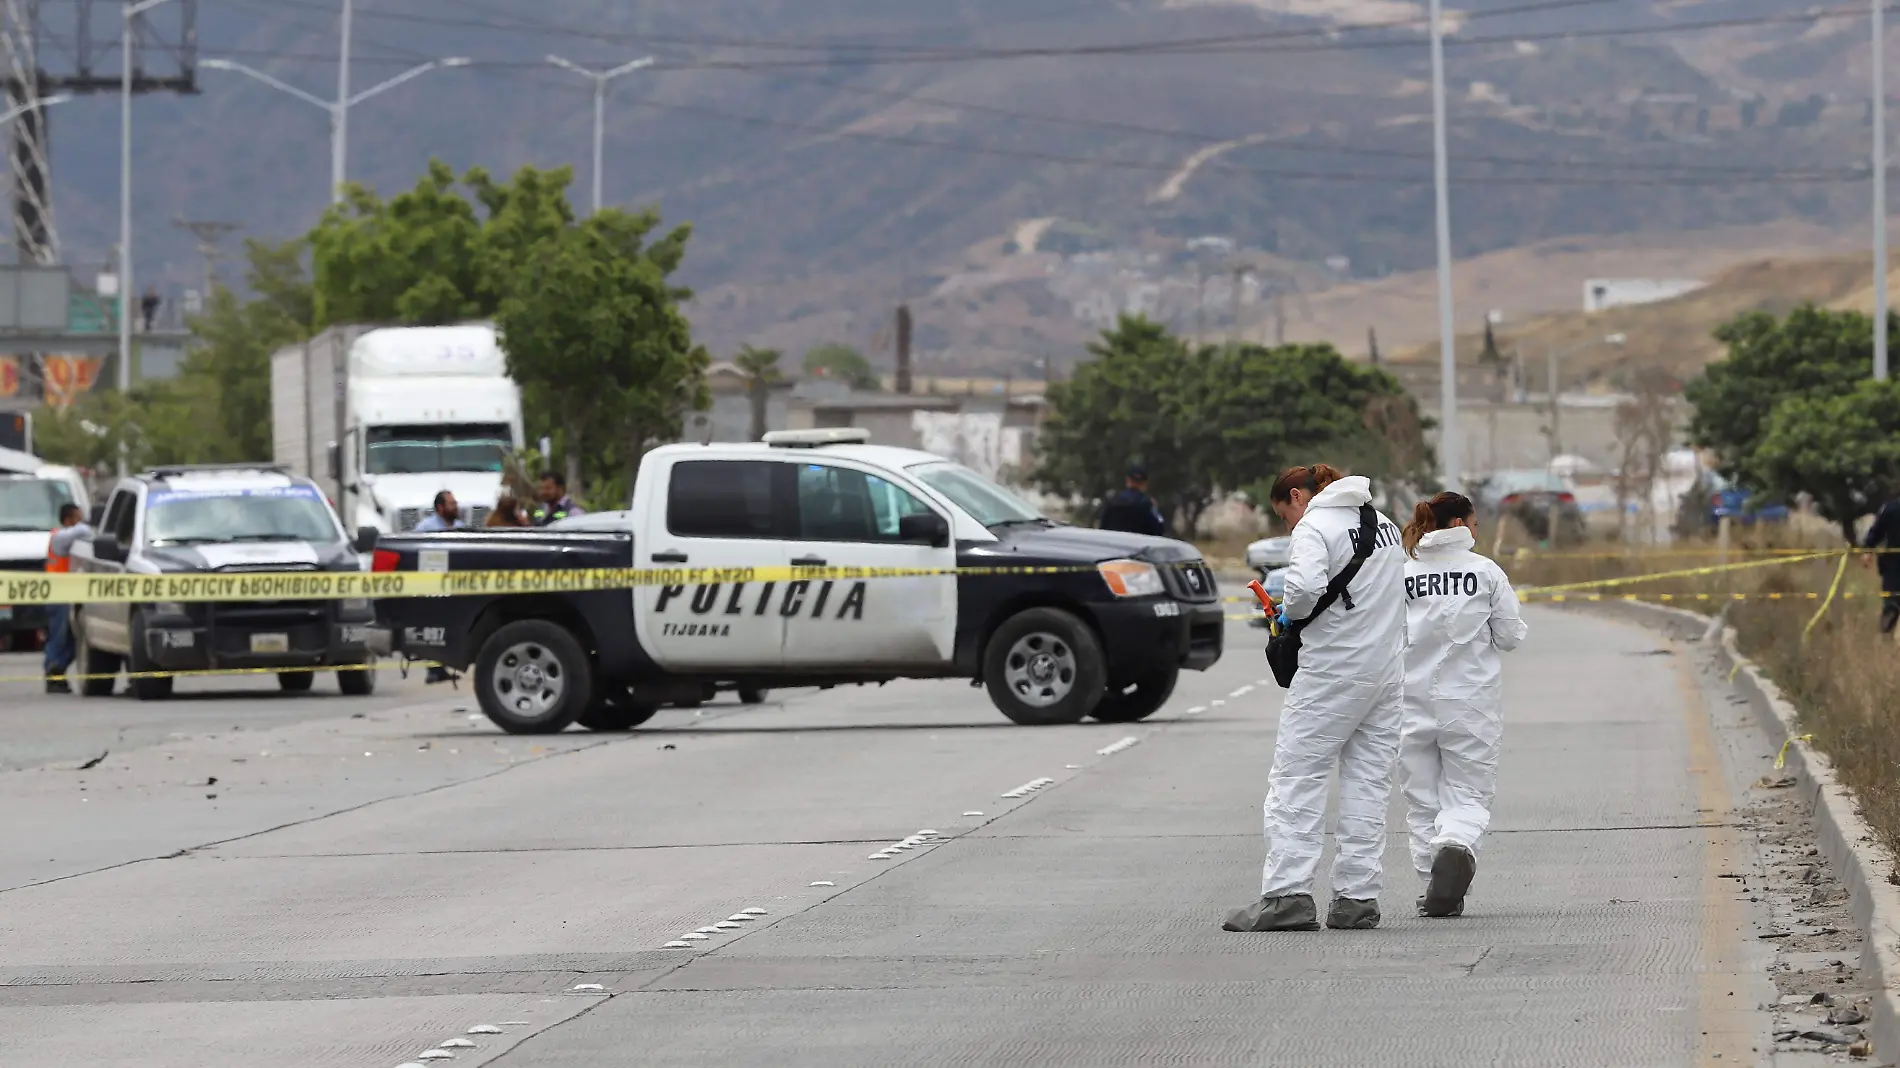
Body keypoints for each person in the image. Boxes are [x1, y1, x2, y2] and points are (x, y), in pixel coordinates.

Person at [1225, 464, 1407, 933]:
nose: (1287, 524)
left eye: (1283, 514)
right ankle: (1357, 899)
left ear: (1296, 496)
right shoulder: (1381, 523)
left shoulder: (1315, 525)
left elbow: (1303, 592)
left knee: (1297, 780)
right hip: (1385, 673)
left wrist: (1288, 613)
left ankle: (1287, 896)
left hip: (1331, 674)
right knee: (1367, 783)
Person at [1399, 491, 1528, 918]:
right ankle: (1454, 845)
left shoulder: (1404, 572)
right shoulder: (1485, 572)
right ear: (1458, 525)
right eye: (1474, 524)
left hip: (1410, 702)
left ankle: (1432, 885)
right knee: (1468, 792)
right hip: (1470, 703)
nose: (1477, 531)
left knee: (1420, 797)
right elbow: (1510, 636)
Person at [43, 502, 92, 694]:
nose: (80, 521)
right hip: (58, 595)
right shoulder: (59, 537)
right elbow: (83, 531)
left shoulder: (68, 537)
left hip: (67, 594)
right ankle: (53, 674)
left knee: (70, 637)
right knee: (59, 637)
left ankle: (58, 671)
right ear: (68, 519)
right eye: (77, 517)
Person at [1861, 494, 1900, 634]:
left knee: (1892, 603)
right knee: (1891, 605)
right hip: (1893, 565)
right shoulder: (1891, 508)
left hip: (1892, 564)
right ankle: (1886, 638)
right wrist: (1868, 550)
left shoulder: (1890, 507)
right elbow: (1877, 530)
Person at [1099, 464, 1166, 536]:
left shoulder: (1112, 501)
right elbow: (1160, 527)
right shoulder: (1147, 504)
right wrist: (1155, 507)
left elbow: (1102, 527)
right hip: (1138, 545)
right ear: (1144, 484)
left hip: (1114, 544)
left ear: (1127, 480)